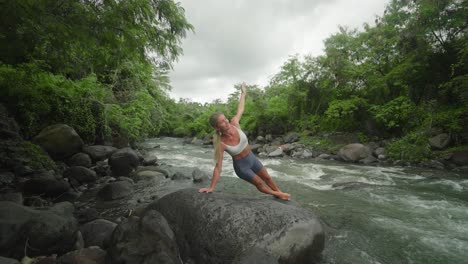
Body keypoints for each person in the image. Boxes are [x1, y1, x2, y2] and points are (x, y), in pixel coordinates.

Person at [198, 82, 291, 200]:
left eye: (225, 118)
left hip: (252, 158)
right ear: (217, 127)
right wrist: (211, 188)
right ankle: (279, 194)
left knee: (267, 178)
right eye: (222, 121)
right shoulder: (221, 143)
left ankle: (279, 193)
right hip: (242, 167)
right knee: (260, 184)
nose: (226, 121)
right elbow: (218, 167)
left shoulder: (235, 123)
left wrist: (243, 93)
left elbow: (240, 109)